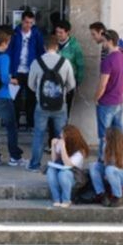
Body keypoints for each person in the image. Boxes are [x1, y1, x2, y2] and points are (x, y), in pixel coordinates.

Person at [27, 35, 76, 172]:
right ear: (57, 47)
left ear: (44, 47)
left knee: (39, 134)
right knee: (62, 135)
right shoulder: (65, 62)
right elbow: (71, 84)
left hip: (42, 104)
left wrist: (40, 93)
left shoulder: (36, 62)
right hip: (60, 105)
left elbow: (30, 84)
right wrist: (62, 92)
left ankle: (34, 164)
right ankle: (62, 163)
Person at [0, 26, 26, 168]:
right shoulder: (4, 57)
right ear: (5, 41)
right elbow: (3, 78)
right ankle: (14, 157)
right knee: (11, 127)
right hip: (2, 96)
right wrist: (13, 80)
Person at [94, 29, 123, 163]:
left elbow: (103, 84)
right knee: (118, 134)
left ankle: (102, 162)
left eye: (103, 41)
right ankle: (122, 159)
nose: (102, 44)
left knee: (104, 136)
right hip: (118, 100)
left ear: (110, 41)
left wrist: (96, 98)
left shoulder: (107, 61)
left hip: (106, 102)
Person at [8, 10, 44, 130]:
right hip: (17, 70)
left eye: (31, 23)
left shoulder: (36, 34)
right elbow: (9, 51)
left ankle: (30, 123)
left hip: (31, 71)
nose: (28, 25)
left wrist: (39, 69)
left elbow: (40, 51)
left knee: (31, 98)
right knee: (15, 98)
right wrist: (10, 71)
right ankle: (15, 124)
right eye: (26, 22)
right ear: (22, 21)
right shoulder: (15, 34)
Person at [90, 127, 123, 207]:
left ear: (112, 140)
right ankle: (102, 194)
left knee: (110, 169)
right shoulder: (106, 146)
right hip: (110, 173)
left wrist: (111, 169)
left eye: (106, 137)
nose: (103, 138)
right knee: (94, 166)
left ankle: (118, 196)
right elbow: (103, 162)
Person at [47, 125, 89, 208]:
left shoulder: (80, 151)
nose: (60, 136)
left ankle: (66, 200)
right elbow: (54, 160)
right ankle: (56, 199)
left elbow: (68, 164)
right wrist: (53, 146)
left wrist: (63, 148)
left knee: (63, 173)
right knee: (50, 170)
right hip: (60, 171)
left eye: (63, 134)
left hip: (73, 177)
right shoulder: (61, 143)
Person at [54, 20, 85, 117]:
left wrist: (78, 81)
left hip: (68, 82)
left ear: (67, 32)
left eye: (61, 32)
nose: (58, 35)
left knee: (66, 109)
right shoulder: (53, 43)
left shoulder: (75, 46)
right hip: (53, 81)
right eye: (57, 32)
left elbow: (80, 65)